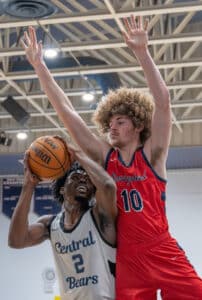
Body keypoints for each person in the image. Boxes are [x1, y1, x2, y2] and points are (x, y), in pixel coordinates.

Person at [21, 15, 202, 299]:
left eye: (120, 122)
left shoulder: (154, 155)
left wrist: (142, 53)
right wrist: (40, 67)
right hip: (127, 257)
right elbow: (67, 113)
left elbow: (164, 103)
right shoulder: (106, 158)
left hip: (162, 249)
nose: (112, 128)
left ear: (138, 125)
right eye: (110, 123)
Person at [8, 142, 117, 300]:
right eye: (77, 177)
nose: (83, 181)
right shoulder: (50, 225)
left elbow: (108, 187)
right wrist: (28, 186)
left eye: (87, 180)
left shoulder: (100, 216)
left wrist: (78, 155)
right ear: (62, 189)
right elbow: (16, 241)